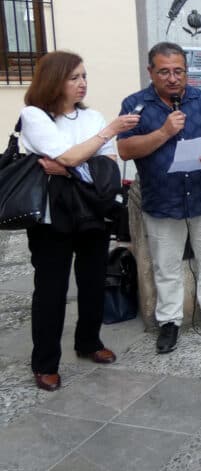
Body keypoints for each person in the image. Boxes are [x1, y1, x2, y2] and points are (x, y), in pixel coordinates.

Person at [19, 51, 140, 391]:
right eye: (74, 77)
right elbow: (78, 157)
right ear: (54, 80)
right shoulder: (34, 115)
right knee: (51, 290)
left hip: (92, 209)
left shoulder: (93, 117)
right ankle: (44, 363)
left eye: (84, 76)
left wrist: (69, 166)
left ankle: (89, 342)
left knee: (92, 281)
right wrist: (102, 139)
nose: (82, 83)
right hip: (51, 216)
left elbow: (107, 166)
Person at [117, 42, 201, 354]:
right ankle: (169, 321)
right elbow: (125, 149)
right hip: (162, 201)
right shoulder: (135, 105)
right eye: (164, 72)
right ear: (150, 72)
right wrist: (164, 133)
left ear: (186, 71)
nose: (172, 78)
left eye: (178, 71)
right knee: (166, 266)